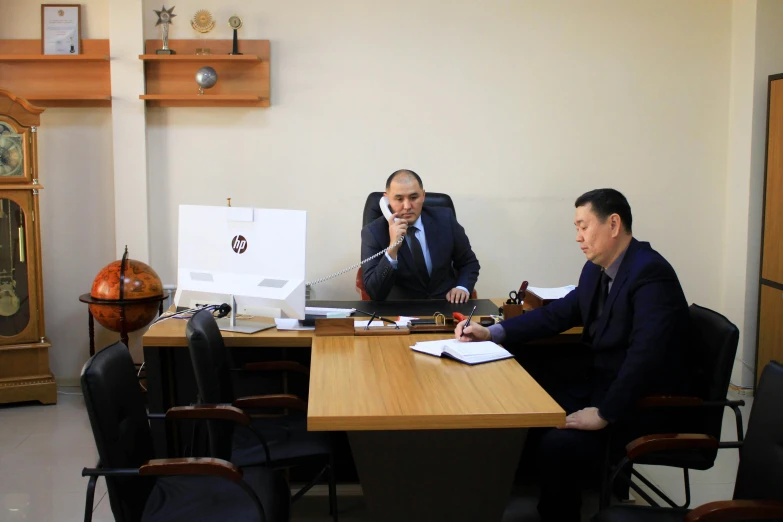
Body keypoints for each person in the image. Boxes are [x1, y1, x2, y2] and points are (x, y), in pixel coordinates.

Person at [455, 188, 691, 522]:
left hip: (638, 404)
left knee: (557, 443)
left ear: (612, 224)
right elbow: (560, 314)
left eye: (583, 226)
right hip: (600, 383)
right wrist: (492, 332)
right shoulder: (597, 269)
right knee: (526, 400)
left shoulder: (650, 274)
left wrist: (606, 413)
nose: (578, 237)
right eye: (576, 228)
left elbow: (646, 358)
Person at [361, 170, 480, 302]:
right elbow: (374, 292)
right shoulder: (373, 232)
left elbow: (468, 262)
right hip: (400, 311)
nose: (407, 206)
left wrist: (462, 287)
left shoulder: (445, 219)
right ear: (387, 200)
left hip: (445, 306)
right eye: (399, 199)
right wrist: (392, 249)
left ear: (423, 196)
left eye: (413, 198)